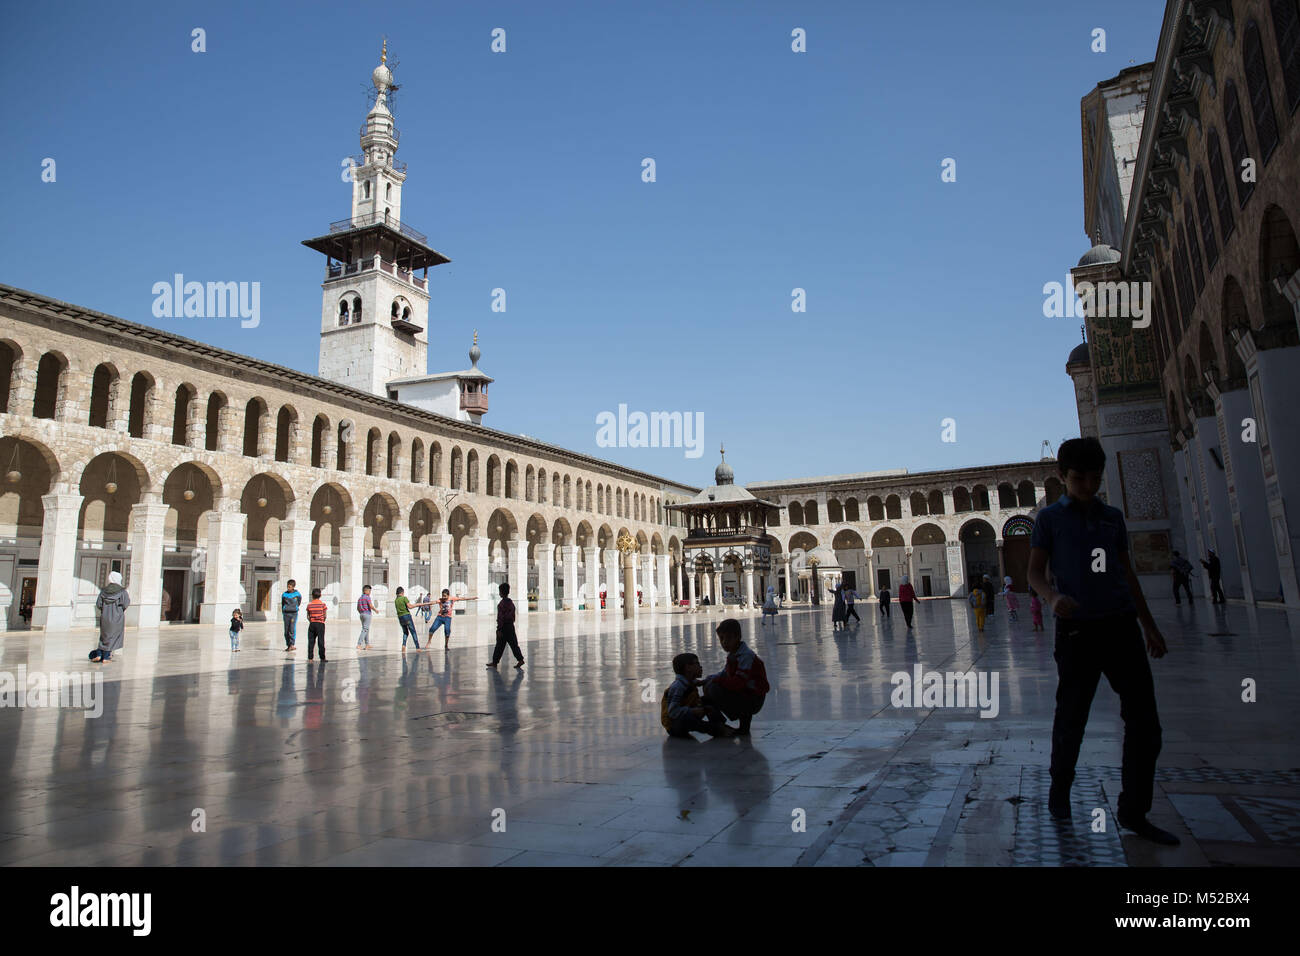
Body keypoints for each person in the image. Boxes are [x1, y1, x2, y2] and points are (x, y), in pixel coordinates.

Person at [1027, 436, 1178, 846]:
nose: (1088, 487)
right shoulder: (1049, 520)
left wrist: (1149, 625)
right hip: (1077, 629)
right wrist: (1053, 597)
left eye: (1095, 478)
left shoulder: (1112, 518)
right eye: (1079, 479)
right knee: (1072, 716)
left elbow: (1126, 574)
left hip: (1120, 626)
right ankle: (1060, 790)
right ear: (1062, 477)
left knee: (1146, 723)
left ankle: (1134, 810)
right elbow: (1034, 574)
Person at [702, 618, 770, 736]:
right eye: (721, 639)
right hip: (746, 693)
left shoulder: (746, 656)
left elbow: (738, 682)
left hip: (753, 698)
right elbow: (724, 673)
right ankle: (721, 726)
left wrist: (716, 681)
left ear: (738, 637)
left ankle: (741, 725)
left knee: (713, 688)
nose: (724, 642)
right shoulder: (734, 654)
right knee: (706, 692)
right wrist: (706, 680)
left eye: (728, 638)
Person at [661, 653, 733, 737]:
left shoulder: (690, 681)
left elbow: (704, 681)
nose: (701, 667)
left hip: (687, 713)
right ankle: (716, 729)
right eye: (697, 664)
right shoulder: (678, 687)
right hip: (674, 725)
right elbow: (673, 712)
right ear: (688, 668)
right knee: (688, 720)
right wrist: (693, 711)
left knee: (708, 700)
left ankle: (720, 725)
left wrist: (720, 676)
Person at [89, 570, 130, 663]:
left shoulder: (104, 591)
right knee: (114, 636)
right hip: (117, 617)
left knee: (104, 636)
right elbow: (126, 603)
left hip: (105, 617)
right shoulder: (122, 591)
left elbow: (99, 604)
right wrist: (118, 610)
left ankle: (99, 654)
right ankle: (107, 656)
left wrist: (105, 610)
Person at [486, 582, 524, 669]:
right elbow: (512, 615)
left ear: (501, 592)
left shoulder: (501, 604)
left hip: (503, 628)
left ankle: (495, 662)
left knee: (499, 645)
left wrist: (499, 629)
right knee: (514, 644)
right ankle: (520, 659)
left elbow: (501, 618)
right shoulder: (511, 603)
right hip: (510, 626)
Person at [394, 587, 421, 651]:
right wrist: (416, 605)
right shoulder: (404, 598)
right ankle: (417, 647)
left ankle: (403, 645)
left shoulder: (396, 600)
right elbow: (410, 606)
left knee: (405, 632)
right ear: (402, 592)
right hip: (407, 616)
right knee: (413, 631)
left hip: (400, 618)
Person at [305, 588, 328, 662]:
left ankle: (310, 658)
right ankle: (322, 657)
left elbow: (308, 616)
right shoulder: (323, 604)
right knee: (321, 641)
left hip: (312, 624)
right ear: (320, 595)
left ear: (312, 596)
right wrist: (322, 620)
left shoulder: (309, 605)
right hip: (320, 624)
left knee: (311, 641)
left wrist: (311, 621)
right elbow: (325, 615)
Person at [281, 579, 302, 652]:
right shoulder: (284, 594)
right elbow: (282, 603)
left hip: (293, 613)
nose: (288, 588)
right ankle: (288, 645)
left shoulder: (297, 594)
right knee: (286, 630)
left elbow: (299, 602)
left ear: (293, 587)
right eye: (288, 587)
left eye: (290, 587)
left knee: (292, 629)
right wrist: (284, 610)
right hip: (286, 613)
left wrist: (295, 607)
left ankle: (292, 644)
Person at [356, 584, 376, 650]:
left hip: (361, 614)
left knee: (366, 629)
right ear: (365, 591)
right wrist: (375, 610)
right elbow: (370, 606)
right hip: (367, 614)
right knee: (365, 629)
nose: (370, 593)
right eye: (369, 591)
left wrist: (361, 612)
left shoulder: (360, 598)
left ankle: (367, 644)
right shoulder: (367, 597)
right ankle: (359, 644)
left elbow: (357, 608)